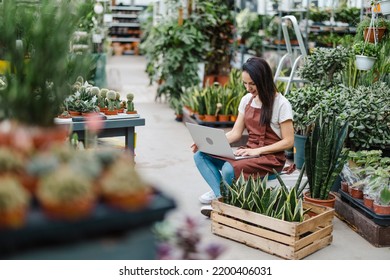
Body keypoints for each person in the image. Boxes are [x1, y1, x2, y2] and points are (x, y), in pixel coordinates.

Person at [191, 57, 294, 216]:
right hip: (248, 152)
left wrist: (257, 151)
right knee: (201, 156)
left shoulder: (281, 104)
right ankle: (220, 194)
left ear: (263, 80)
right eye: (245, 83)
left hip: (270, 158)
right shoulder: (246, 100)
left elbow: (289, 141)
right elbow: (235, 133)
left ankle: (221, 200)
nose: (248, 88)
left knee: (228, 168)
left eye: (252, 84)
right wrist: (205, 143)